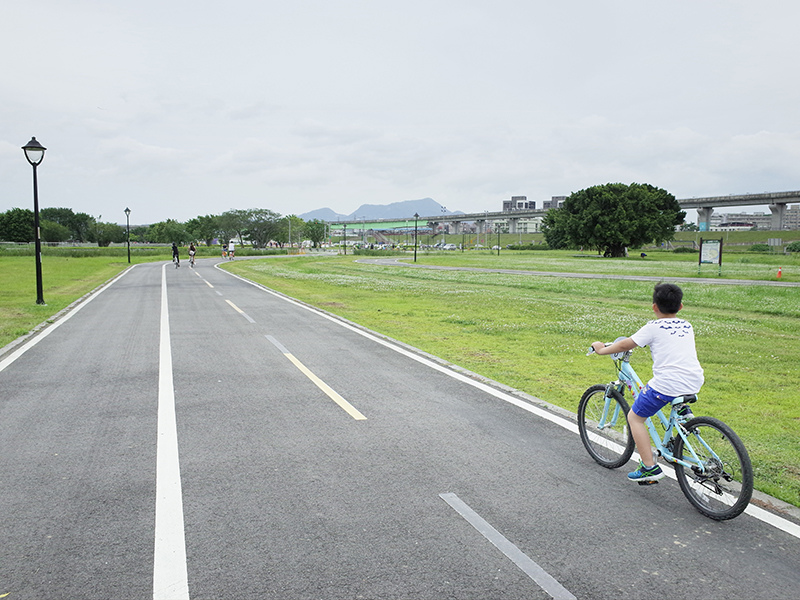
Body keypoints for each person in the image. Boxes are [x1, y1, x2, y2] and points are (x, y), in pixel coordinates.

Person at [591, 283, 704, 483]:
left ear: (654, 307)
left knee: (635, 418)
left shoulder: (653, 327)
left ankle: (649, 467)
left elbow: (626, 344)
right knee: (672, 391)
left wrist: (601, 349)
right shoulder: (686, 325)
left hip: (668, 384)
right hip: (694, 380)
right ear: (681, 306)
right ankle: (683, 412)